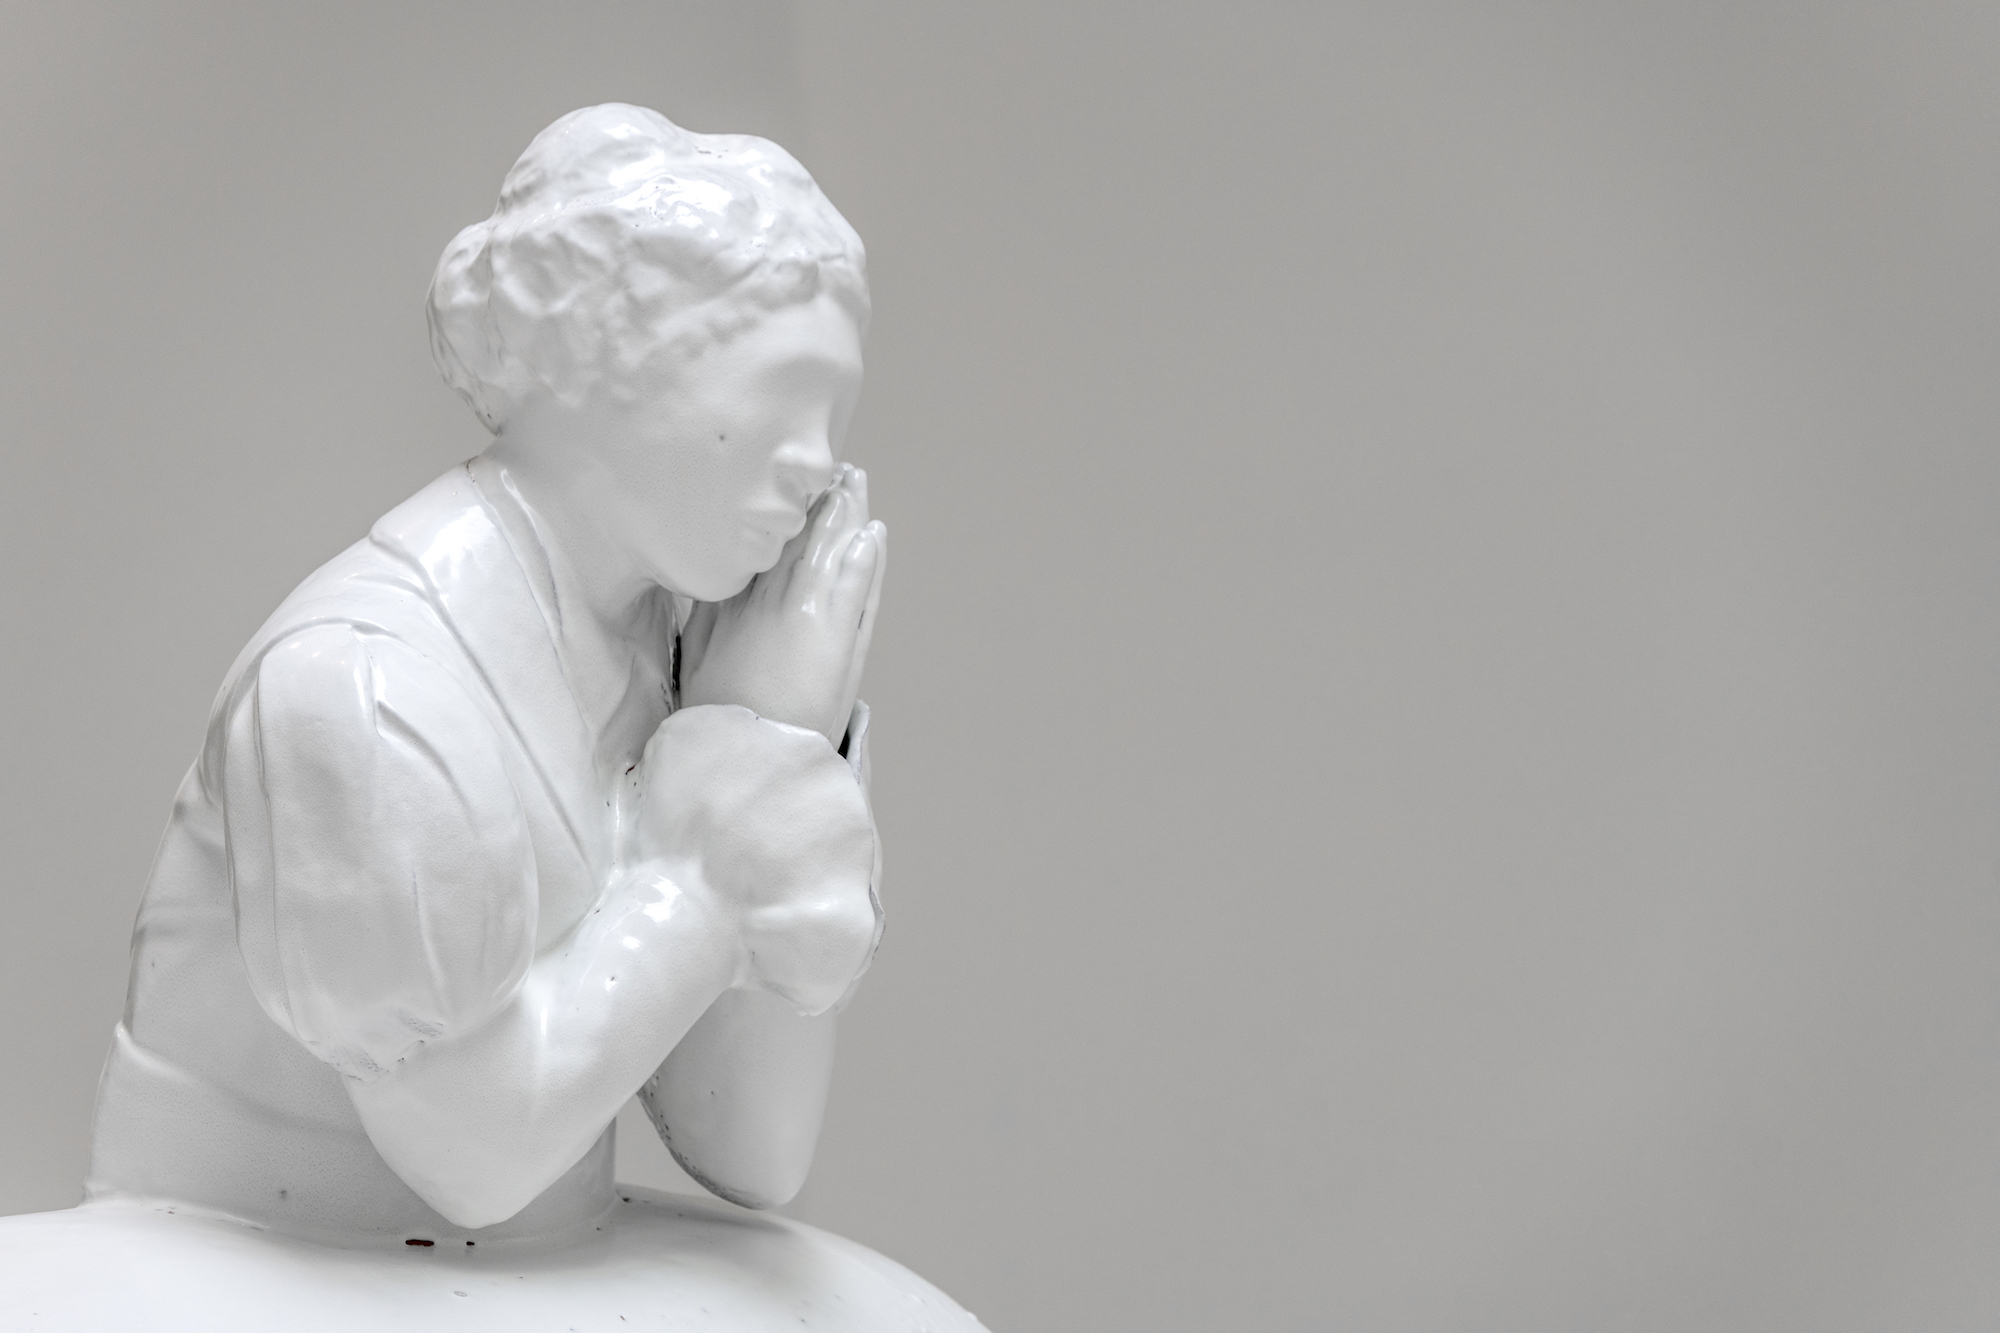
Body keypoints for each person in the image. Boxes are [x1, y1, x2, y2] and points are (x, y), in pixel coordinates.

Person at [0, 106, 980, 1330]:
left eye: (832, 415)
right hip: (272, 1251)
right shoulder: (363, 684)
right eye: (779, 400)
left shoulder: (678, 650)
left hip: (521, 1250)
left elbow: (750, 1153)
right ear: (609, 365)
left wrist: (764, 736)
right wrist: (712, 861)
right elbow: (473, 1152)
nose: (816, 466)